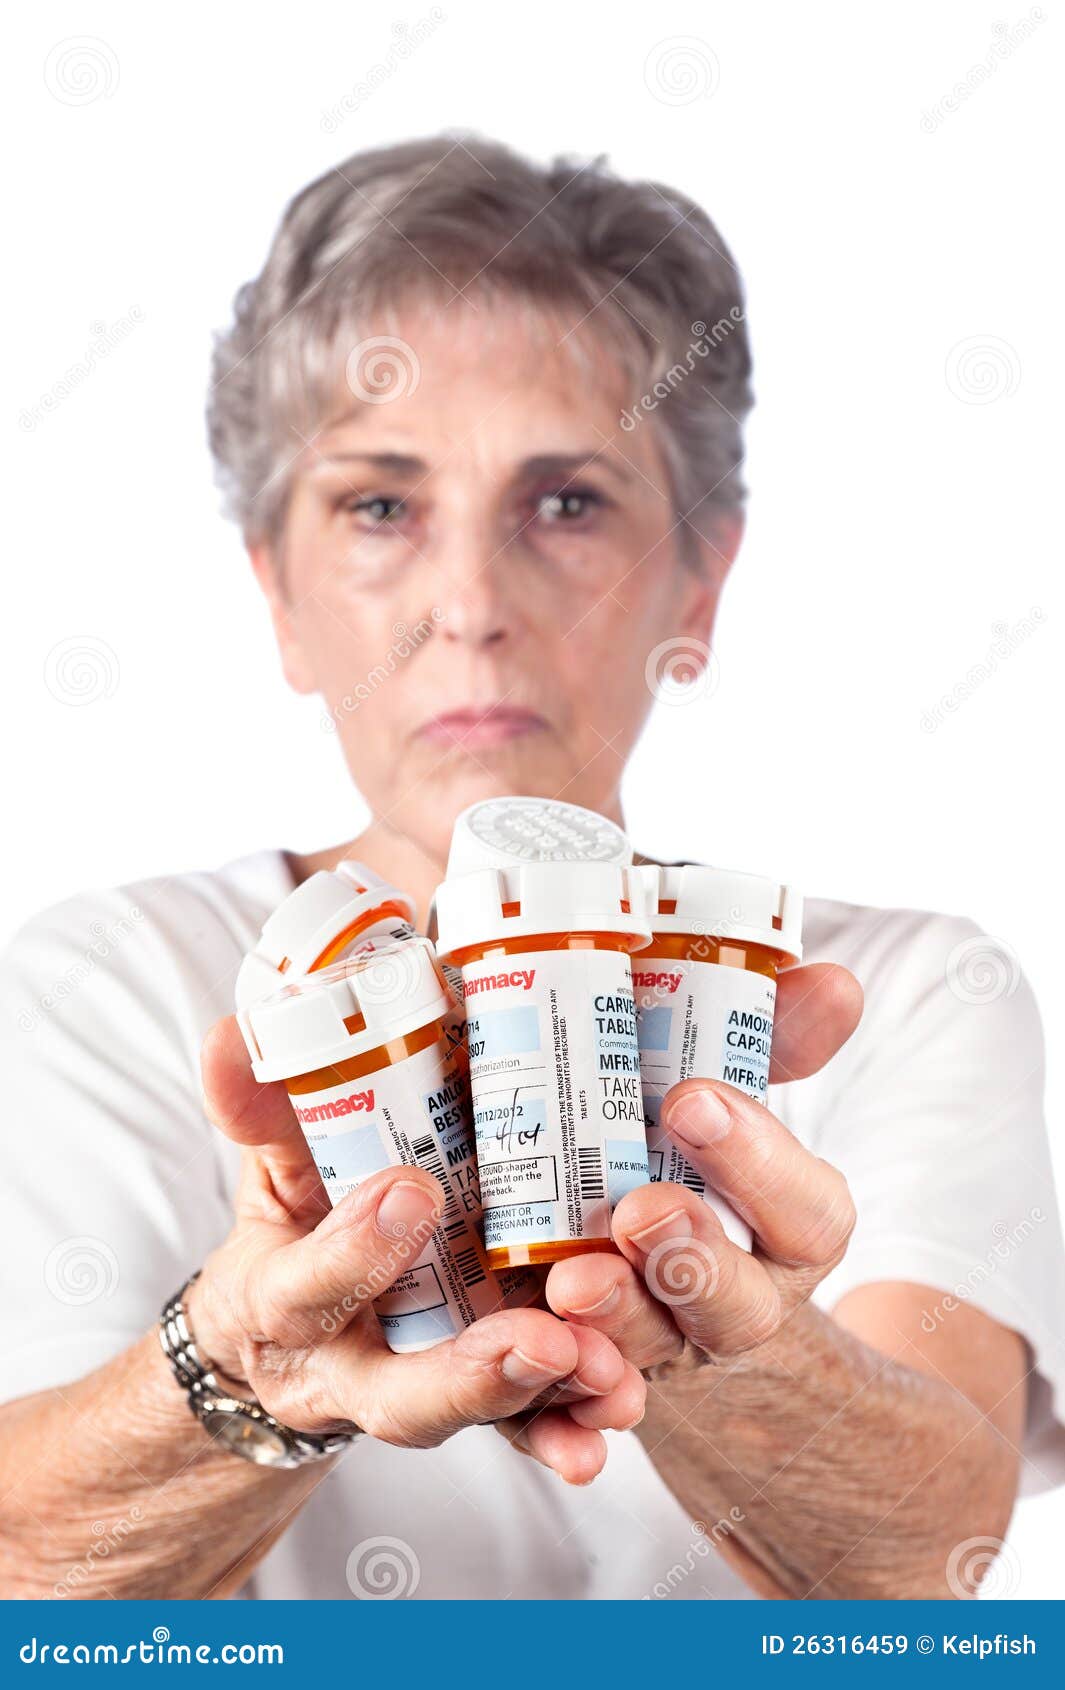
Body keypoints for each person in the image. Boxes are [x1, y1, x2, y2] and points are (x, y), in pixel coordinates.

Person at [2, 134, 1063, 1602]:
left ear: (697, 582)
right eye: (380, 505)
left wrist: (720, 1332)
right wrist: (257, 1370)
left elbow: (925, 1548)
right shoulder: (109, 987)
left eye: (565, 502)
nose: (470, 603)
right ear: (279, 597)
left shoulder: (896, 990)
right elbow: (24, 1565)